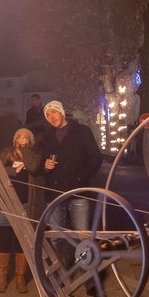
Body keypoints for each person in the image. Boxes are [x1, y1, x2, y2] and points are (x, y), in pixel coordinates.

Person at [40, 101, 102, 235]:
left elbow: (96, 158)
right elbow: (40, 162)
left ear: (62, 113)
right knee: (55, 237)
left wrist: (80, 178)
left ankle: (84, 250)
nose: (51, 117)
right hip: (54, 194)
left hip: (78, 192)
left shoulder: (82, 131)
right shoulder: (46, 136)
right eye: (47, 115)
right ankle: (58, 250)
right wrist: (45, 166)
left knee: (83, 235)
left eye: (53, 112)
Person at [0, 128, 43, 292]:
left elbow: (32, 167)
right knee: (4, 241)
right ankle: (1, 279)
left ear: (30, 141)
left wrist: (25, 150)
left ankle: (20, 279)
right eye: (19, 137)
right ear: (14, 140)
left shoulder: (33, 156)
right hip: (5, 205)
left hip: (25, 206)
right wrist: (13, 171)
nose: (22, 139)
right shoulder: (6, 153)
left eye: (26, 137)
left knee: (22, 242)